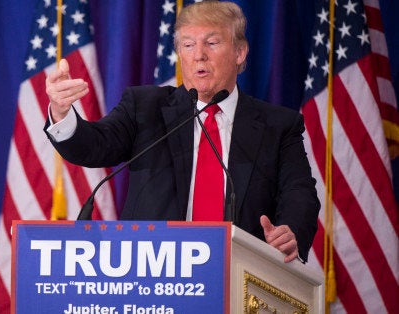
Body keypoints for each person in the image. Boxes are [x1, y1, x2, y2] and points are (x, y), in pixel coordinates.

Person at [44, 1, 319, 263]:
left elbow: (299, 192)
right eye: (188, 45)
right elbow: (95, 145)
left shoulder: (278, 125)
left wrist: (291, 230)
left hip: (240, 276)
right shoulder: (145, 107)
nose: (199, 54)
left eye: (212, 43)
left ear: (239, 52)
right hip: (154, 274)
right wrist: (61, 112)